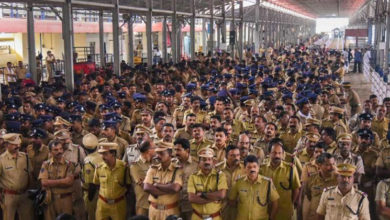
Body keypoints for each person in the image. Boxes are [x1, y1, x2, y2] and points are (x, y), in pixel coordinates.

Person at [259, 139, 301, 220]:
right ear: (269, 153)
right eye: (274, 153)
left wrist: (290, 204)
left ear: (283, 154)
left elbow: (296, 189)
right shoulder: (262, 169)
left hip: (284, 211)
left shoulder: (290, 169)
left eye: (279, 153)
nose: (277, 156)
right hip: (266, 210)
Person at [229, 155, 279, 220]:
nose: (252, 169)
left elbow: (275, 202)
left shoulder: (267, 183)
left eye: (254, 167)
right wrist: (242, 206)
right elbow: (231, 200)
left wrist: (271, 218)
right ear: (244, 169)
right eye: (249, 167)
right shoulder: (238, 182)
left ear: (258, 168)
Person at [143, 141, 183, 220]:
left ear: (170, 154)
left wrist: (157, 185)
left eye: (162, 153)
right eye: (157, 153)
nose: (158, 156)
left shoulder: (177, 170)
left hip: (171, 211)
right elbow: (146, 187)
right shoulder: (153, 169)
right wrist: (168, 189)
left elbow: (175, 188)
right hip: (154, 210)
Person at [93, 142, 132, 220]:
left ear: (113, 153)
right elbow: (96, 184)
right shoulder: (99, 167)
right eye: (101, 154)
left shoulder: (123, 167)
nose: (102, 156)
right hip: (102, 204)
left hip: (118, 204)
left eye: (105, 154)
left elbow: (128, 185)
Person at [39, 140, 76, 220]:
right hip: (50, 199)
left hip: (65, 200)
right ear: (50, 151)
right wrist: (63, 181)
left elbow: (69, 182)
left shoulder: (69, 164)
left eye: (60, 149)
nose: (59, 151)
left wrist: (51, 182)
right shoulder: (46, 164)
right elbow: (44, 182)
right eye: (56, 150)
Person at [0, 133, 34, 220]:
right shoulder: (1, 160)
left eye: (18, 143)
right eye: (14, 144)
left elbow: (30, 173)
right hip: (9, 196)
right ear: (7, 144)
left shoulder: (25, 157)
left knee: (27, 217)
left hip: (25, 194)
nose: (17, 146)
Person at [188, 148, 228, 220]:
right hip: (197, 217)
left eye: (209, 159)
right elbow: (192, 198)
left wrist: (202, 195)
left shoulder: (220, 176)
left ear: (213, 162)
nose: (207, 162)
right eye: (204, 160)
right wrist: (214, 198)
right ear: (199, 162)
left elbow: (222, 195)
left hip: (215, 217)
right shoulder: (193, 176)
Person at [130, 140, 156, 216]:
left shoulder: (156, 162)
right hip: (143, 204)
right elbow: (144, 185)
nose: (156, 149)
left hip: (155, 203)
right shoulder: (135, 165)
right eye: (154, 147)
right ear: (149, 151)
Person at [81, 133, 102, 220]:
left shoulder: (88, 161)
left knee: (92, 216)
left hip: (92, 194)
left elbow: (91, 183)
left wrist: (89, 198)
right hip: (102, 192)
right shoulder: (101, 156)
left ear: (84, 148)